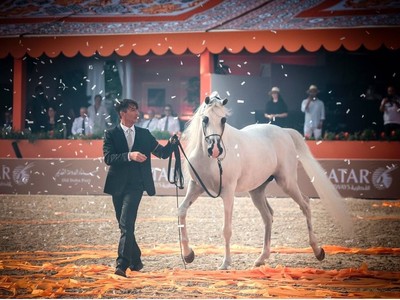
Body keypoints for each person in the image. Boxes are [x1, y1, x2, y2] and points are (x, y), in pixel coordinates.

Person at [103, 99, 177, 277]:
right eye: (132, 110)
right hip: (117, 185)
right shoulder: (111, 133)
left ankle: (122, 265)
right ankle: (136, 260)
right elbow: (108, 158)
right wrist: (130, 155)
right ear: (122, 113)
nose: (137, 113)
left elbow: (162, 153)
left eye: (137, 110)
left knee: (127, 223)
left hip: (136, 186)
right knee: (124, 226)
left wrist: (172, 143)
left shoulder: (144, 134)